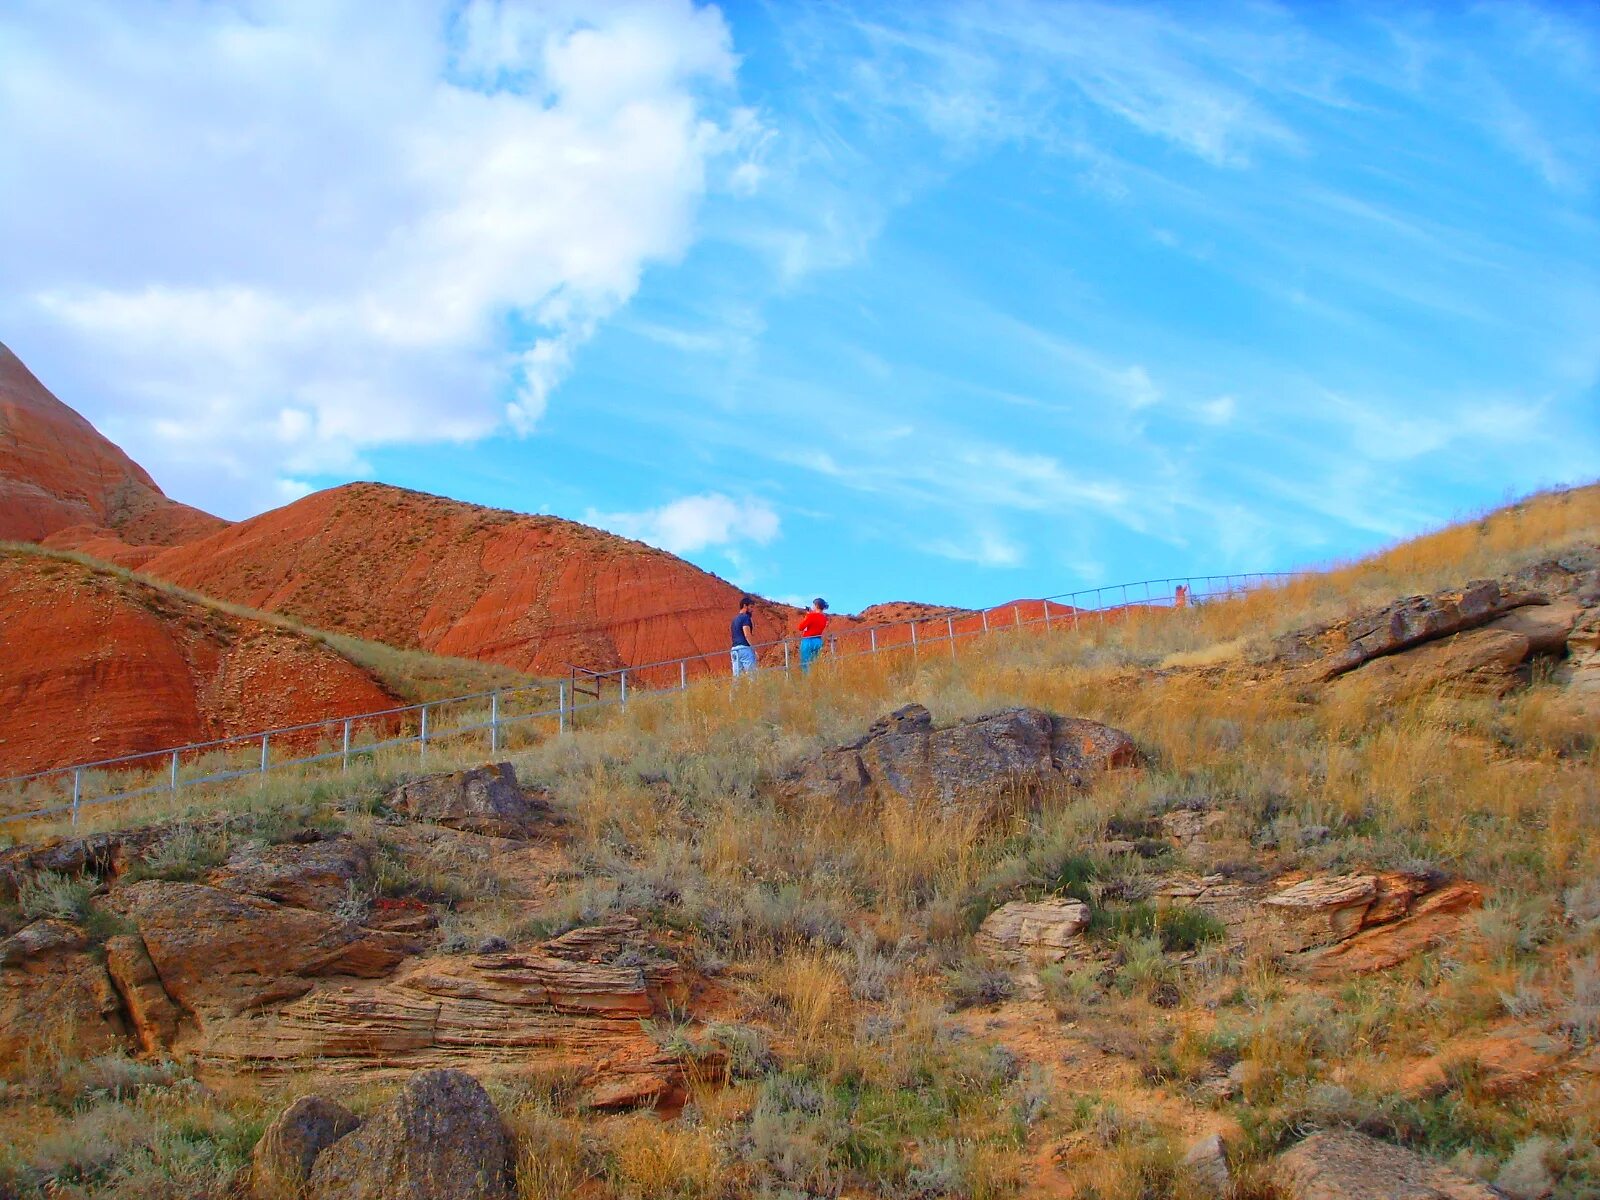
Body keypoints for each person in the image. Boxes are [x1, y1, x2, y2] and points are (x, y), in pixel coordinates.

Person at [796, 598, 829, 673]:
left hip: (808, 641)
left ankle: (806, 681)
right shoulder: (824, 618)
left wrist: (807, 615)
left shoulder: (811, 616)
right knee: (814, 662)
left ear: (816, 605)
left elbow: (801, 627)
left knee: (805, 663)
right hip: (818, 640)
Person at [730, 596, 758, 677]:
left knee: (737, 678)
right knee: (752, 676)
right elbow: (747, 634)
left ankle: (737, 690)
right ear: (745, 606)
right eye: (751, 607)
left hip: (734, 650)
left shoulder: (734, 619)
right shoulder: (746, 617)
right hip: (744, 649)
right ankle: (753, 690)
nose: (752, 610)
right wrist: (753, 649)